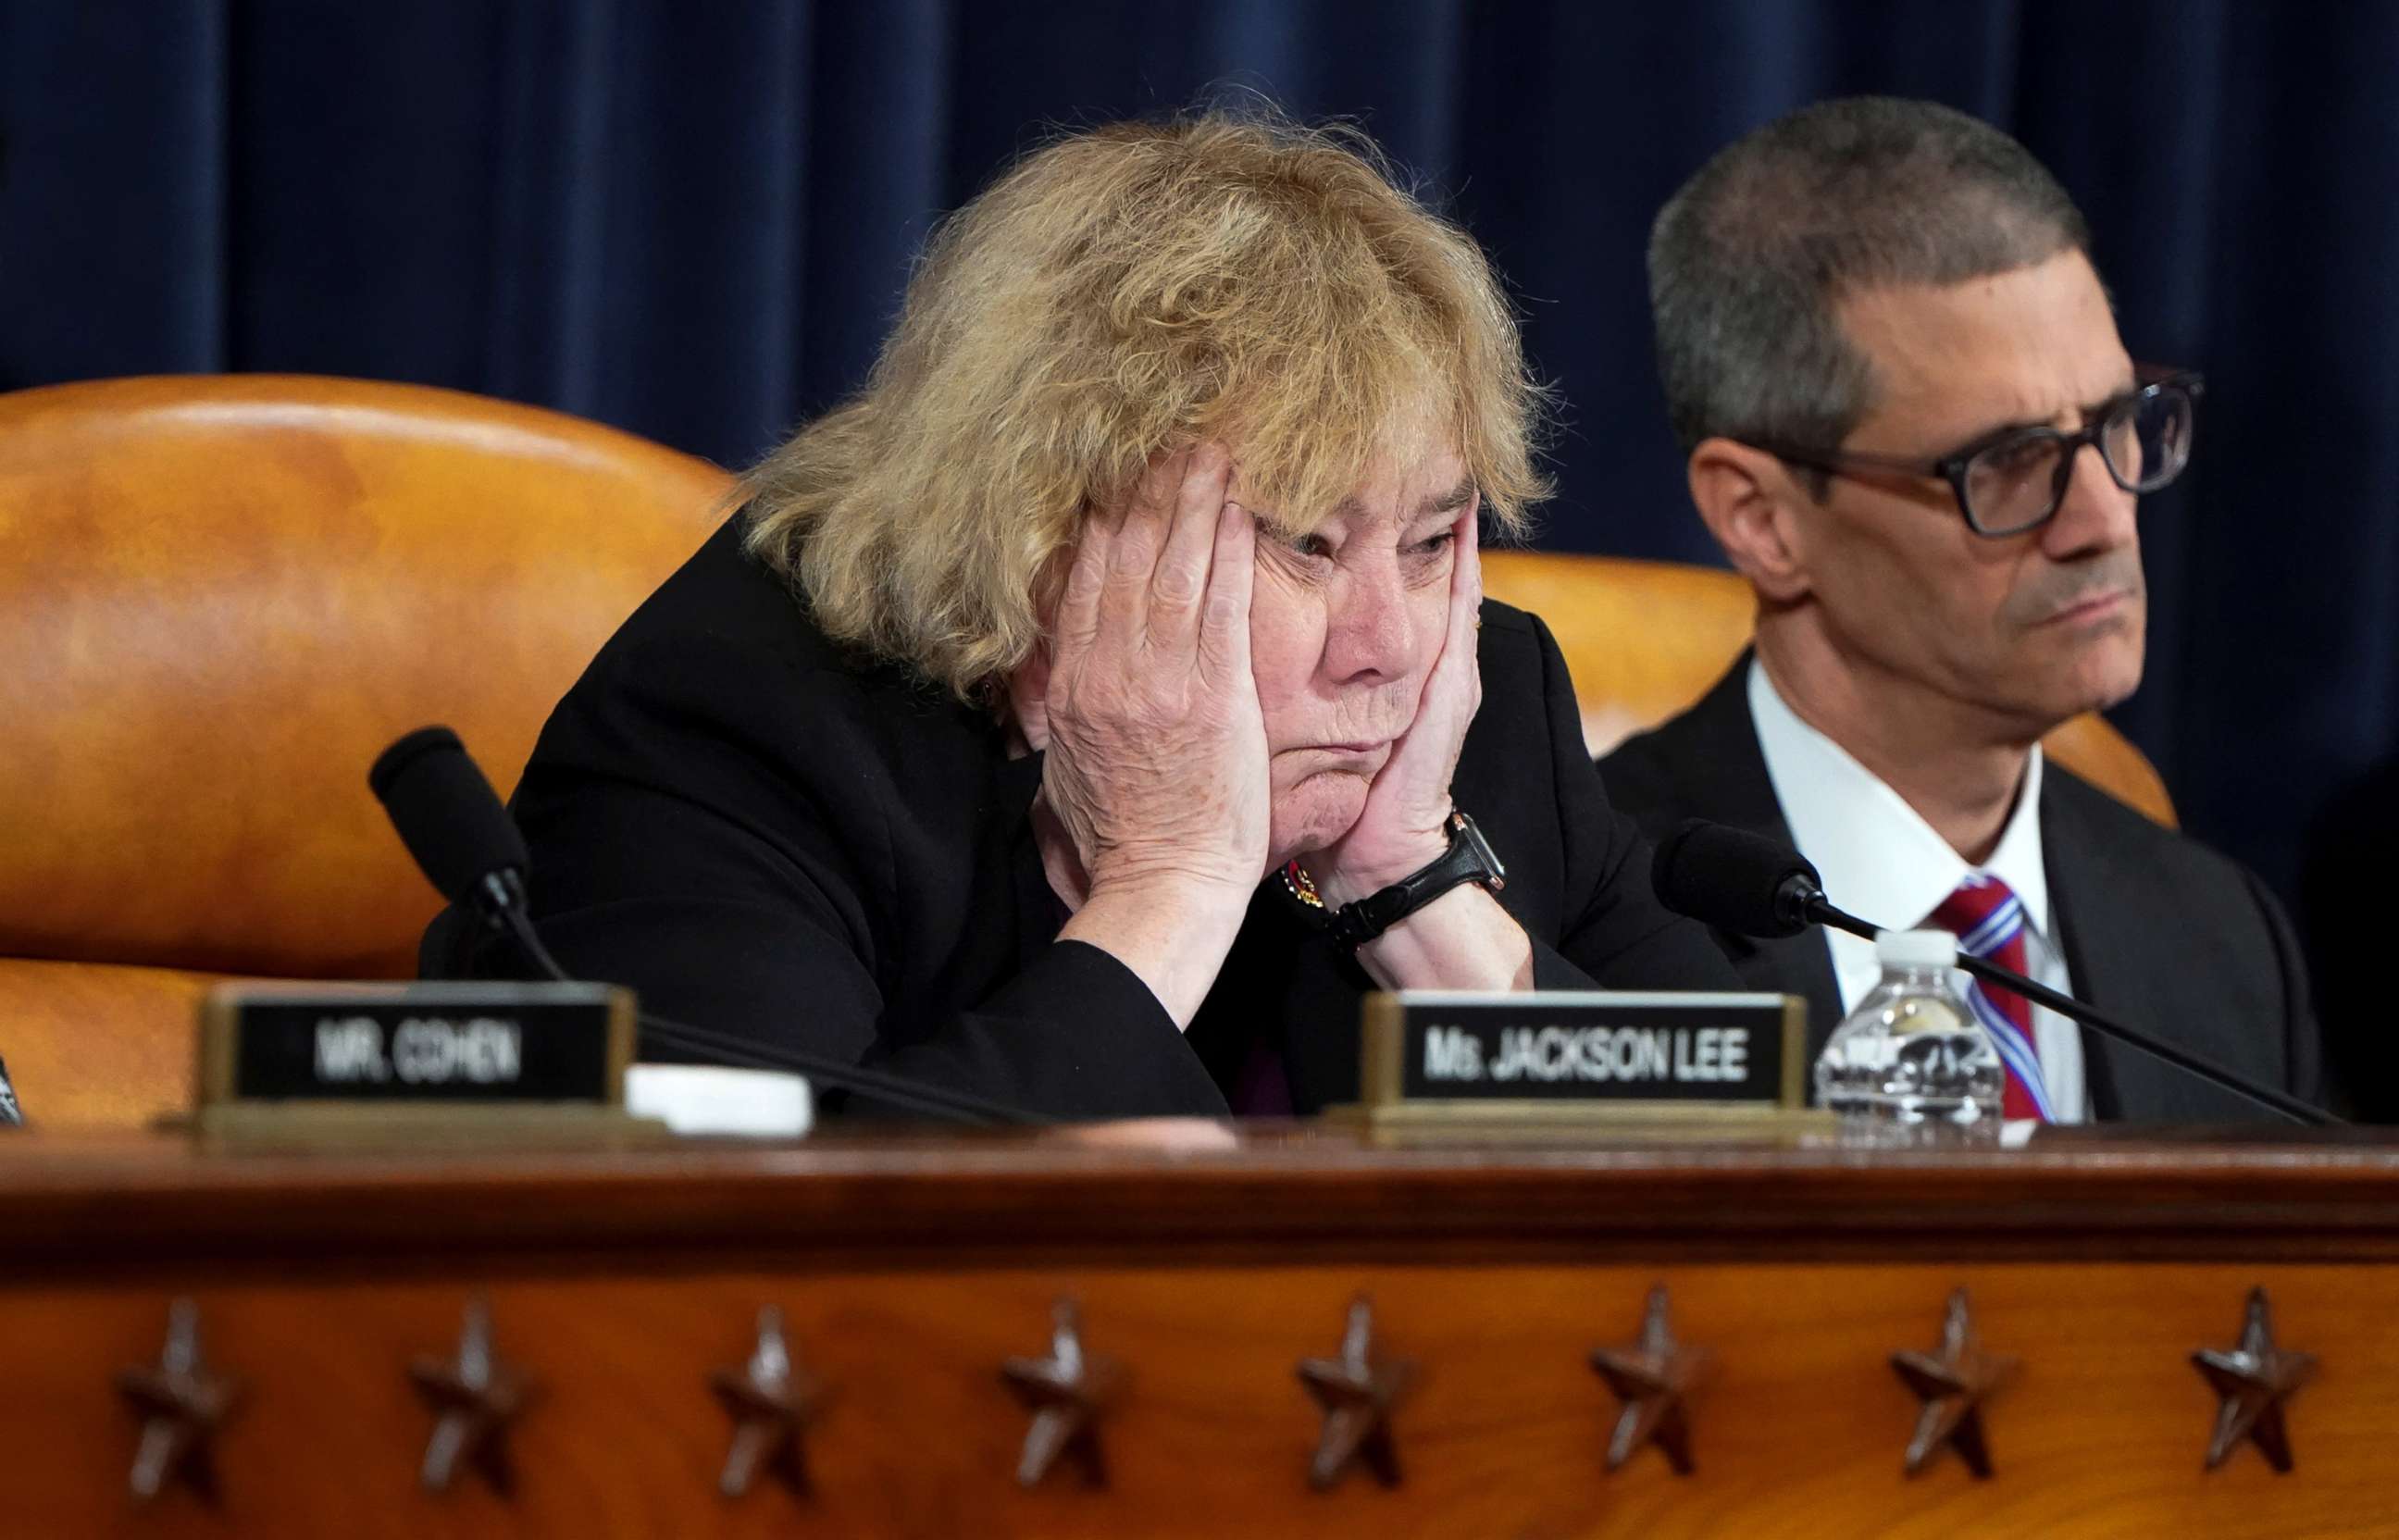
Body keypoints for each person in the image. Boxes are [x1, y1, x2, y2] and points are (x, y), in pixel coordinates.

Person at [425, 111, 1738, 1119]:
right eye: (1304, 541)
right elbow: (753, 1267)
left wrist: (1418, 893)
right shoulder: (745, 727)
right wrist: (1161, 897)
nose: (1389, 641)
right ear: (1049, 525)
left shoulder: (1477, 709)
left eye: (1435, 536)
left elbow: (1758, 1191)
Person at [1599, 97, 2322, 1122]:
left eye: (2122, 422)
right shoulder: (1578, 920)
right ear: (1761, 517)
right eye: (2009, 461)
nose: (2105, 520)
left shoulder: (2221, 939)